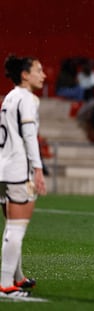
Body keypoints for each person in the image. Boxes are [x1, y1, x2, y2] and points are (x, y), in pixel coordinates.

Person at [0, 55, 47, 297]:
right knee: (16, 228)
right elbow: (29, 136)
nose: (44, 75)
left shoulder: (9, 96)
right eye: (39, 70)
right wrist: (38, 169)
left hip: (3, 169)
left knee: (11, 226)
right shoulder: (28, 99)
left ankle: (16, 278)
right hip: (18, 170)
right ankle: (5, 284)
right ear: (25, 75)